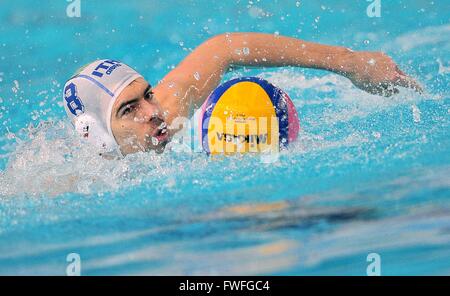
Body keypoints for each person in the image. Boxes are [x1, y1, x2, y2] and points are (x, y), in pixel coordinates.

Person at [62, 32, 422, 156]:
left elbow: (226, 47)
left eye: (148, 95)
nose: (152, 112)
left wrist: (349, 62)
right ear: (98, 137)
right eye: (128, 110)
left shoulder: (168, 113)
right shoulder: (74, 182)